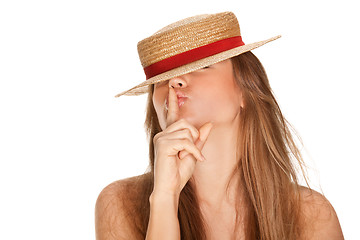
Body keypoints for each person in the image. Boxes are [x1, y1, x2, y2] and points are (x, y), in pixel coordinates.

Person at [95, 11, 344, 239]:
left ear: (245, 90)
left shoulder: (310, 214)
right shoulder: (120, 202)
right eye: (162, 79)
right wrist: (164, 198)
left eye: (202, 66)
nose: (175, 81)